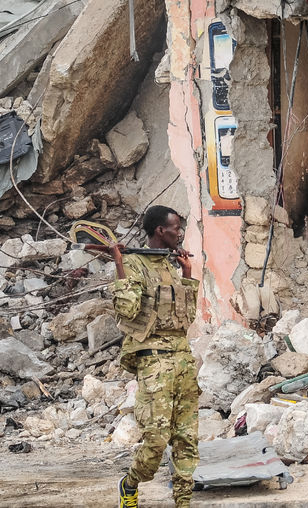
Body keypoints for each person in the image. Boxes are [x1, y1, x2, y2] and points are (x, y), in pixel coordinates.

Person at [111, 205, 200, 508]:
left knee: (187, 437)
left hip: (182, 360)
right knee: (157, 439)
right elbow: (126, 311)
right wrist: (120, 266)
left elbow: (186, 319)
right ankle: (130, 483)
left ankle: (184, 502)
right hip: (154, 361)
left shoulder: (170, 266)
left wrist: (187, 275)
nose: (180, 233)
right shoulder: (135, 264)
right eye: (176, 227)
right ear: (161, 230)